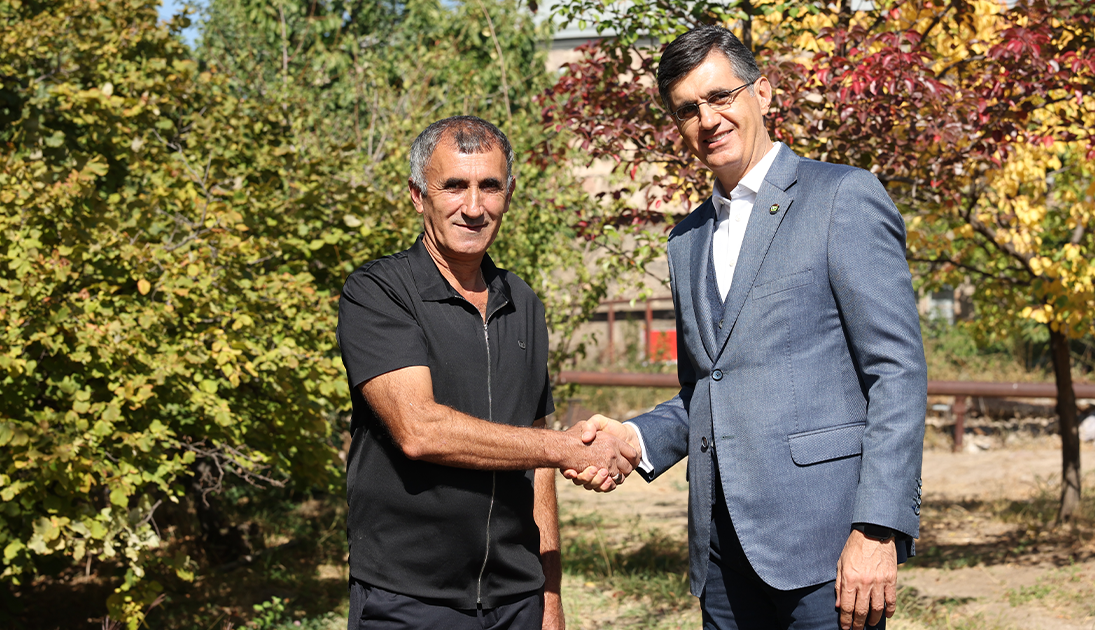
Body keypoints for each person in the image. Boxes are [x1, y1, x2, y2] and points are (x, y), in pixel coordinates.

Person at [567, 26, 928, 630]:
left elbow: (897, 373)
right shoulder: (685, 240)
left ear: (762, 92)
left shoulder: (842, 197)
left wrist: (877, 529)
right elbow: (707, 390)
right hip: (721, 560)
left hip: (830, 551)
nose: (707, 119)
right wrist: (633, 439)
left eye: (720, 97)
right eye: (687, 110)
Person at [337, 115, 639, 630]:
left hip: (517, 600)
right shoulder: (379, 292)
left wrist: (549, 595)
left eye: (490, 187)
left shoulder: (523, 302)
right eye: (454, 185)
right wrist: (568, 447)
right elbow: (419, 430)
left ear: (509, 194)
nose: (474, 207)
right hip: (409, 600)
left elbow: (538, 465)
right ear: (418, 195)